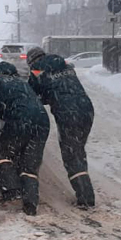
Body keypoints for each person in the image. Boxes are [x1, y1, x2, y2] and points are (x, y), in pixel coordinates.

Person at [27, 47, 96, 209]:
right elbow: (62, 86)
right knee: (77, 149)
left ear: (31, 61)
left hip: (66, 111)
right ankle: (84, 190)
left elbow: (32, 95)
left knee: (71, 154)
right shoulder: (65, 64)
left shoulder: (37, 70)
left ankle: (86, 197)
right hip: (86, 107)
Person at [0, 61, 50, 216]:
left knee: (1, 154)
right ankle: (30, 204)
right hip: (42, 120)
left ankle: (12, 191)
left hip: (20, 119)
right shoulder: (20, 81)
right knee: (30, 163)